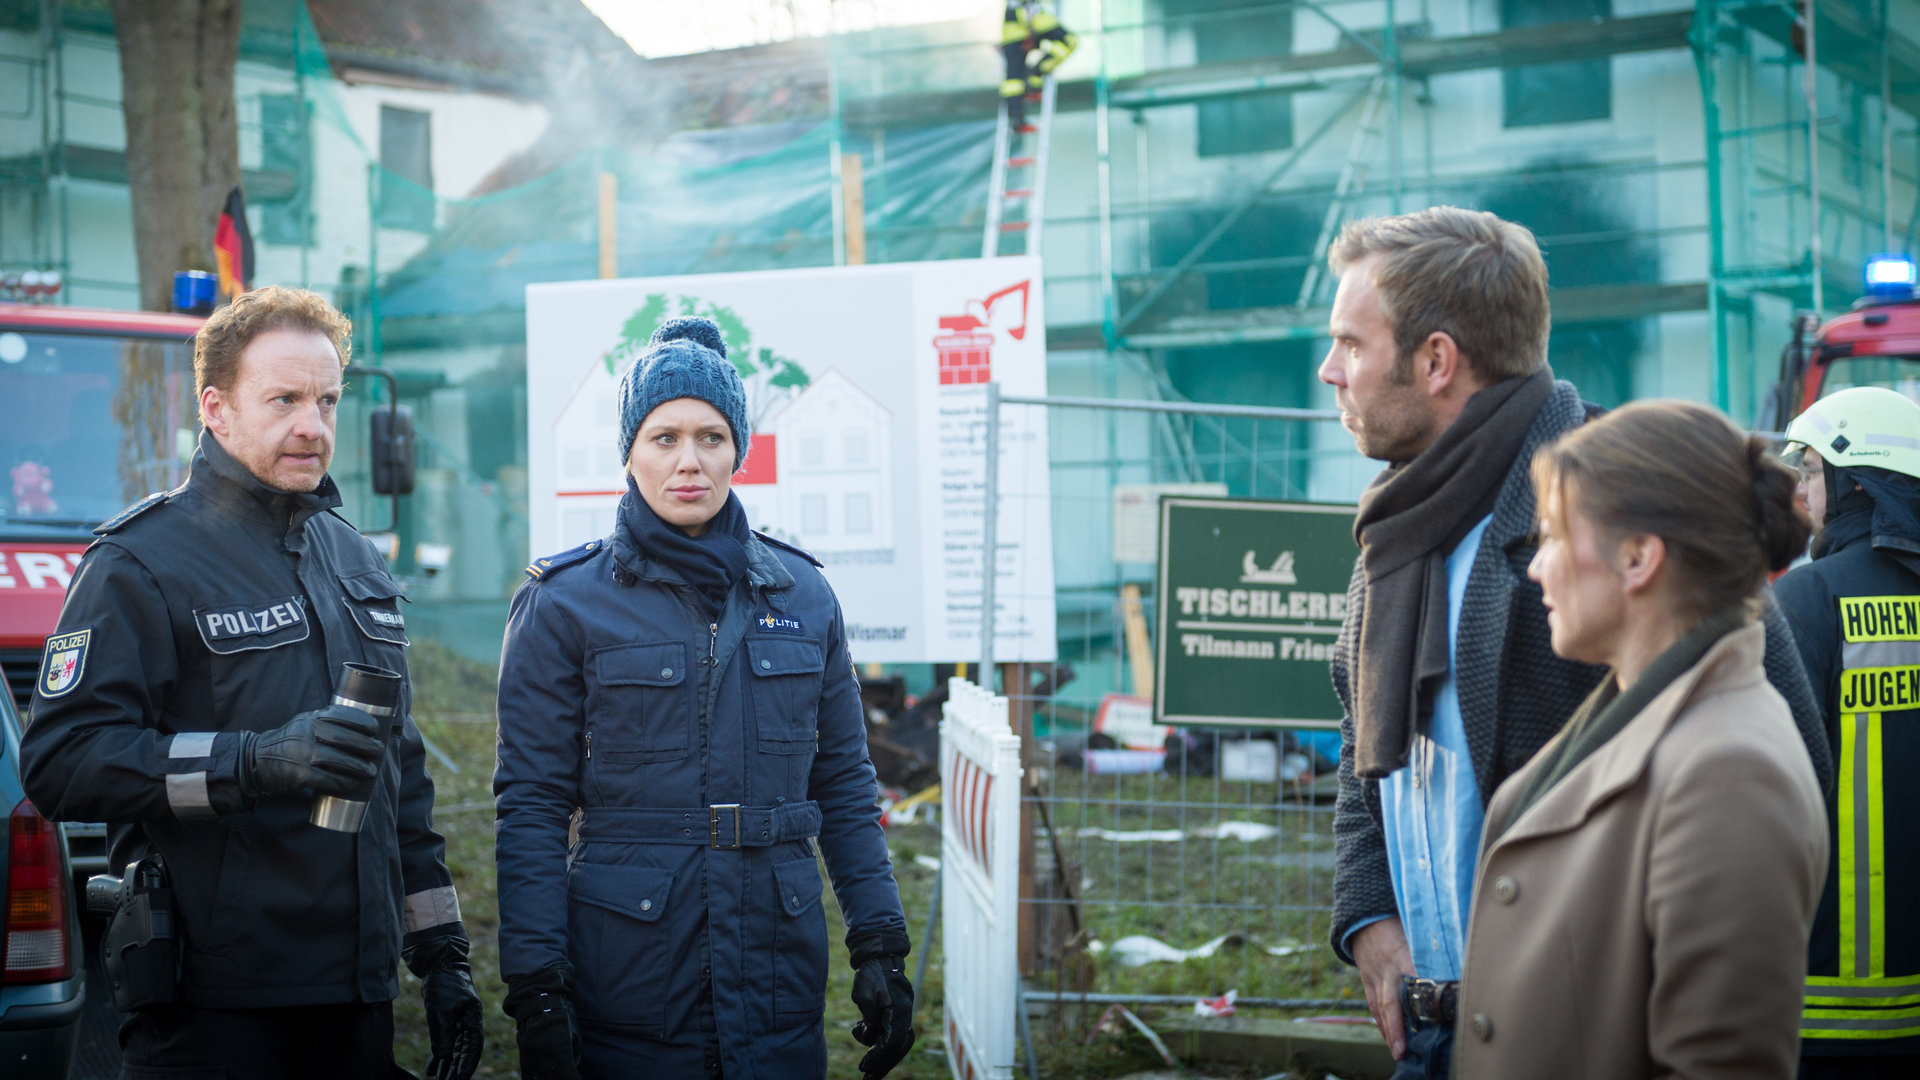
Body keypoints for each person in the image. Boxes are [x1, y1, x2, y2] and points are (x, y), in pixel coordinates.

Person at [1320, 206, 1834, 1079]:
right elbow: (1364, 745)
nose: (1330, 370)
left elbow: (1776, 772)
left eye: (1351, 345)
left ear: (1436, 361)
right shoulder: (1399, 521)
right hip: (1433, 1033)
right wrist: (1369, 916)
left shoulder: (1630, 518)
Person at [20, 287, 482, 1079]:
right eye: (285, 399)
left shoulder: (356, 559)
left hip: (357, 1000)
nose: (314, 425)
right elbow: (62, 764)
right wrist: (255, 762)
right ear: (217, 407)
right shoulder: (138, 564)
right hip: (212, 1008)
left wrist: (441, 953)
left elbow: (401, 776)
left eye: (328, 400)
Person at [494, 316, 914, 1080]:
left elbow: (846, 784)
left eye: (711, 437)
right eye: (664, 437)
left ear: (738, 450)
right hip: (631, 980)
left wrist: (880, 942)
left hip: (778, 982)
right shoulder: (564, 606)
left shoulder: (804, 593)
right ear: (629, 450)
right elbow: (531, 804)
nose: (689, 461)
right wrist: (537, 987)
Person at [1454, 399, 1829, 1078]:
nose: (1536, 567)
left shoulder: (1731, 772)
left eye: (1554, 536)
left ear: (1638, 559)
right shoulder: (1640, 714)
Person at [1774, 387, 1920, 1078]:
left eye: (1809, 471)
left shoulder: (1807, 597)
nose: (1802, 493)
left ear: (1852, 480)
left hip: (1830, 1009)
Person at [1000, 1, 1076, 128]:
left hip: (1016, 22)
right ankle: (1033, 78)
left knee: (1014, 77)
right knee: (1069, 41)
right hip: (1027, 16)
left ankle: (1018, 115)